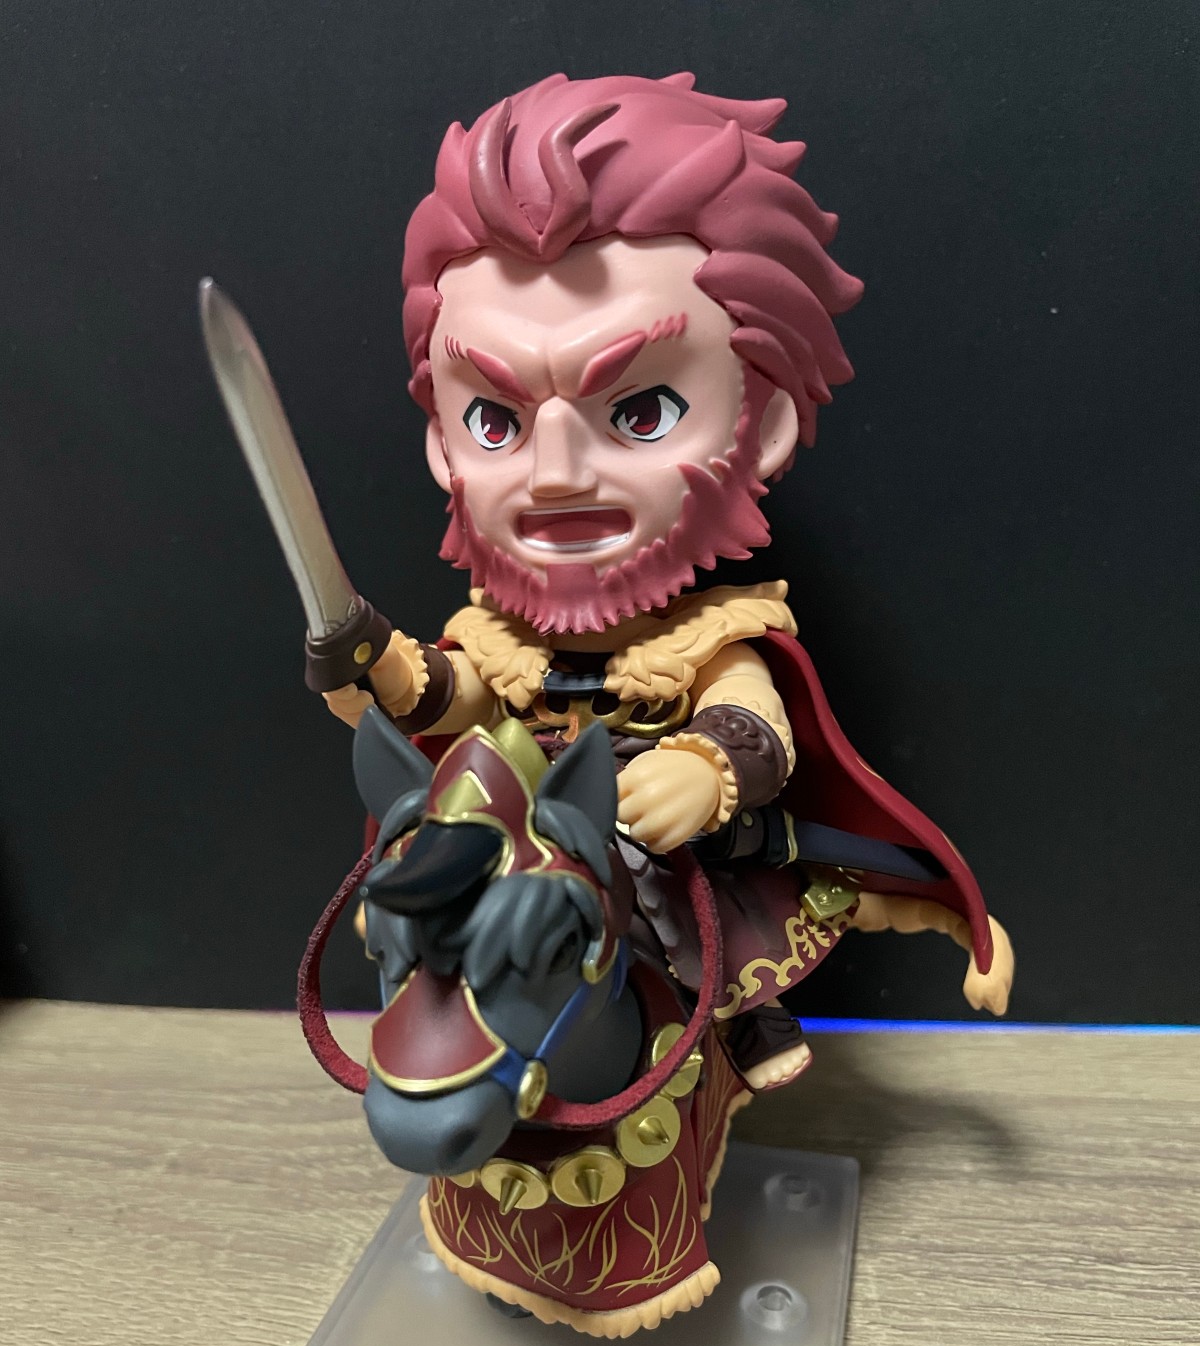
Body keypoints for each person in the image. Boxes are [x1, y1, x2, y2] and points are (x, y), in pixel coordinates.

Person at [324, 72, 1013, 1085]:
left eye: (639, 413)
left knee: (685, 888)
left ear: (760, 425)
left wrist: (704, 770)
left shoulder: (710, 636)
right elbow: (458, 699)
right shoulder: (497, 633)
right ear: (442, 446)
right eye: (496, 421)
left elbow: (754, 725)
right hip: (529, 844)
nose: (555, 476)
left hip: (653, 837)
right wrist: (383, 669)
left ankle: (737, 1015)